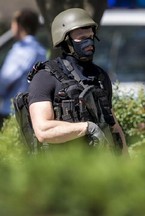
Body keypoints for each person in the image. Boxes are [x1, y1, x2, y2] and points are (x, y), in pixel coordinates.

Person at [28, 8, 128, 155]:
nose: (89, 42)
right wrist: (87, 128)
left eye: (91, 36)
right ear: (65, 41)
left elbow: (113, 125)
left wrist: (127, 162)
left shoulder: (100, 77)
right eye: (81, 38)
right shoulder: (45, 77)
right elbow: (43, 130)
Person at [0, 8, 47, 128]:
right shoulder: (39, 49)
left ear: (19, 26)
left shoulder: (24, 49)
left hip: (12, 110)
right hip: (28, 109)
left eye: (13, 23)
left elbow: (6, 78)